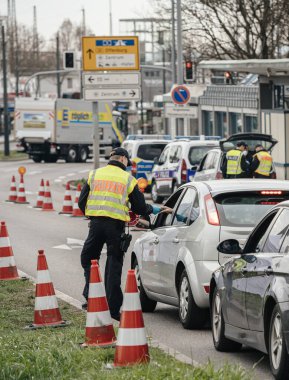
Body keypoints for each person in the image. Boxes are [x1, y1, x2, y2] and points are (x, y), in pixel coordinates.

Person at [78, 147, 167, 321]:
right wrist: (153, 209)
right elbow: (140, 208)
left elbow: (82, 202)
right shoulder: (128, 179)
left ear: (112, 158)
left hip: (95, 225)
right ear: (124, 160)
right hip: (115, 227)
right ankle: (112, 309)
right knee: (114, 265)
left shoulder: (94, 174)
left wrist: (92, 216)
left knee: (88, 259)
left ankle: (91, 297)